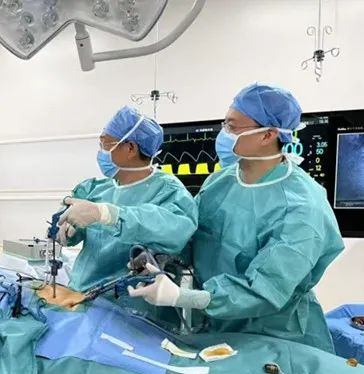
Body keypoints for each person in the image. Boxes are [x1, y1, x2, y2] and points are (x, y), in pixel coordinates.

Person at [129, 84, 344, 352]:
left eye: (232, 127)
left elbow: (266, 288)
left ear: (268, 135)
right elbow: (193, 235)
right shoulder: (220, 182)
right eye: (225, 124)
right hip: (216, 323)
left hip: (273, 334)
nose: (224, 134)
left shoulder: (302, 208)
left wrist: (186, 297)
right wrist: (160, 255)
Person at [57, 106, 198, 294]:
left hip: (132, 301)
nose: (101, 151)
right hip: (82, 295)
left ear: (131, 148)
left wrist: (109, 214)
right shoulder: (95, 189)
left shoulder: (169, 192)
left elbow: (174, 231)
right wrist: (67, 229)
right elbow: (68, 235)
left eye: (106, 144)